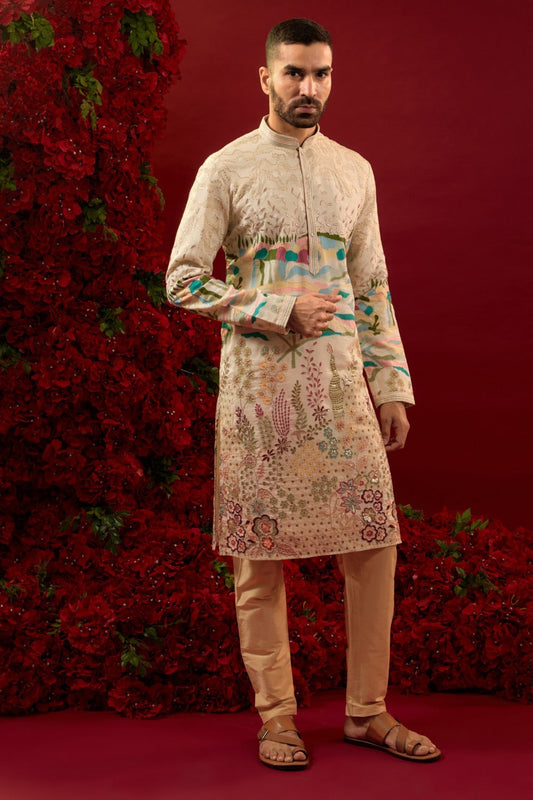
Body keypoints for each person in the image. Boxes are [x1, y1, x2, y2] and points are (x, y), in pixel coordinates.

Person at [166, 18, 441, 770]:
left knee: (375, 545)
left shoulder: (353, 170)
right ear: (265, 78)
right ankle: (277, 717)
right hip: (259, 395)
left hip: (341, 390)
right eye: (293, 73)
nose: (307, 87)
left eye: (320, 73)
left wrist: (390, 385)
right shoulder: (226, 168)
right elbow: (182, 281)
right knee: (258, 560)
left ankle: (366, 711)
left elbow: (371, 284)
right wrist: (274, 307)